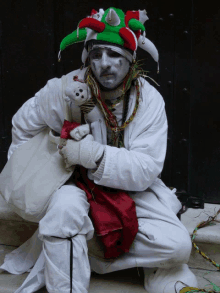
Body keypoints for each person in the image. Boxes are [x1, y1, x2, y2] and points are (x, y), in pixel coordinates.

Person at [0, 7, 200, 293]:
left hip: (128, 191)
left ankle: (86, 253)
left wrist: (95, 156)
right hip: (72, 184)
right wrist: (32, 173)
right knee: (64, 212)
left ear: (130, 60)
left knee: (177, 247)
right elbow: (23, 125)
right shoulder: (64, 90)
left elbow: (146, 168)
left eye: (115, 55)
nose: (105, 64)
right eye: (96, 55)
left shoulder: (148, 100)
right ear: (88, 59)